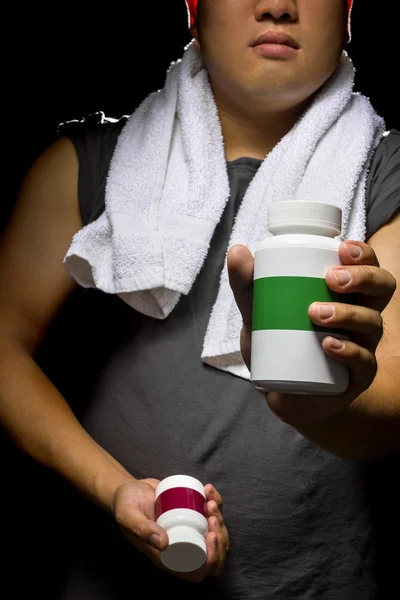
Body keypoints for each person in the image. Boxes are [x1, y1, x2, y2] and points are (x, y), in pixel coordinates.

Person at [1, 1, 399, 598]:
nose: (276, 5)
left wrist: (319, 404)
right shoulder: (91, 166)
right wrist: (113, 488)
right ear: (193, 9)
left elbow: (392, 407)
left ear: (347, 14)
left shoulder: (387, 176)